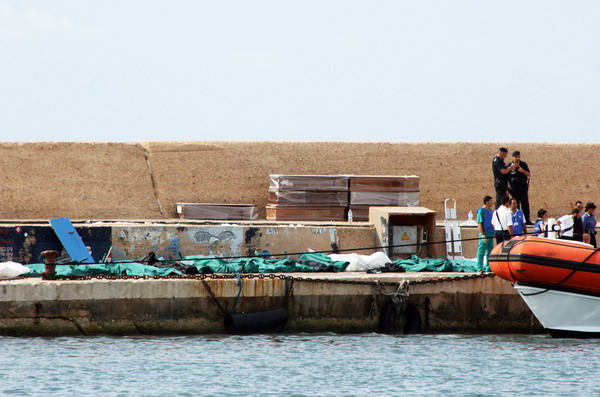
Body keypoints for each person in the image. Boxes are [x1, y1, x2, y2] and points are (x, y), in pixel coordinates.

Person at [507, 151, 532, 224]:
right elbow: (506, 176)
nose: (517, 158)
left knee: (525, 203)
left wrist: (522, 170)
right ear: (513, 157)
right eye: (515, 157)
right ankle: (517, 219)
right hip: (514, 187)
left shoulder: (523, 164)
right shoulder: (509, 165)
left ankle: (527, 220)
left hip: (523, 186)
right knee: (515, 203)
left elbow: (529, 174)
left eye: (518, 157)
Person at [476, 195, 495, 272]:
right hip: (484, 233)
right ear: (486, 202)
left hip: (491, 233)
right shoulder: (481, 211)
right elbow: (480, 223)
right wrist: (482, 235)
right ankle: (479, 267)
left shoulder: (491, 211)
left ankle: (488, 267)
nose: (492, 203)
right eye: (490, 201)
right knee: (481, 251)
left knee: (489, 251)